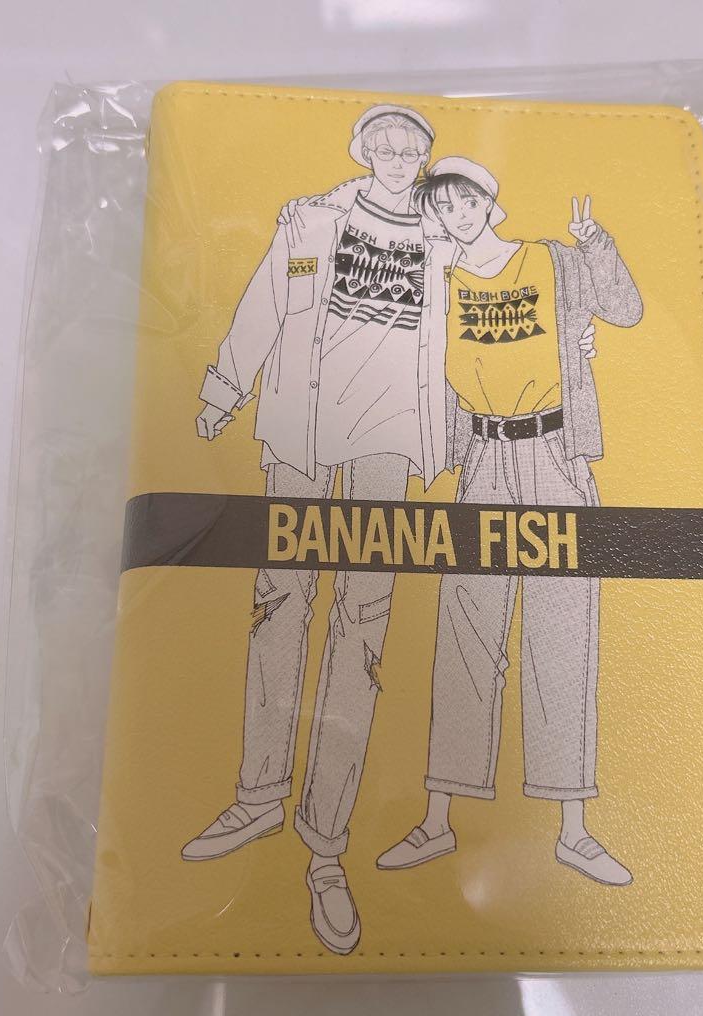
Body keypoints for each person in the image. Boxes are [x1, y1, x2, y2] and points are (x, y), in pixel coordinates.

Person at [180, 105, 456, 956]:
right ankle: (257, 798)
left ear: (426, 157)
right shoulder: (311, 220)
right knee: (278, 608)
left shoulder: (447, 236)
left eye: (412, 146)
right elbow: (264, 302)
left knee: (361, 632)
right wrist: (224, 390)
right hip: (298, 437)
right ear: (361, 149)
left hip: (387, 449)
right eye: (384, 143)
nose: (398, 156)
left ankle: (325, 847)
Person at [377, 158, 643, 886]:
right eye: (442, 206)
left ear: (490, 202)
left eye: (466, 200)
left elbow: (624, 309)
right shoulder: (439, 282)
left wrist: (594, 243)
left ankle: (574, 831)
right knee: (465, 635)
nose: (456, 213)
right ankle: (437, 821)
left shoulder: (551, 260)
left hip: (553, 454)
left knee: (562, 634)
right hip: (483, 460)